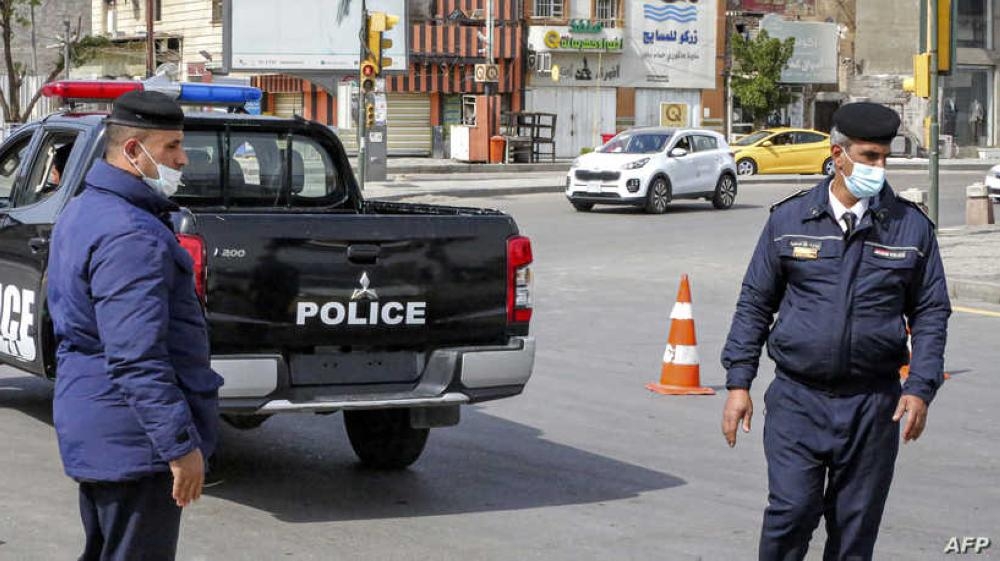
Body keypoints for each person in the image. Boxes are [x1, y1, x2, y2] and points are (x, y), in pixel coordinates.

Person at [720, 102, 950, 561]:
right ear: (838, 155)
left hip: (873, 406)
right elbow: (755, 303)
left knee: (853, 530)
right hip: (798, 401)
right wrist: (738, 383)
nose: (879, 168)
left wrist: (920, 388)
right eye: (869, 157)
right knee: (791, 513)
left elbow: (930, 312)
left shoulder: (910, 228)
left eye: (884, 157)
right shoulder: (789, 221)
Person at [47, 90, 224, 561]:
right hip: (133, 439)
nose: (182, 159)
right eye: (172, 146)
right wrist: (179, 446)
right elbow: (136, 356)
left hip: (104, 426)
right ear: (133, 149)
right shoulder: (131, 234)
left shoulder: (86, 208)